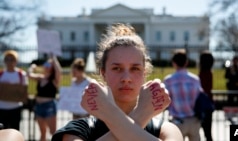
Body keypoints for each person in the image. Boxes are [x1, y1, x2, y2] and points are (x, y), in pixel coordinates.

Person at [52, 23, 183, 141]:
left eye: (135, 68)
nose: (126, 78)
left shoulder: (166, 130)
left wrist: (109, 112)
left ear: (145, 74)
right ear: (103, 73)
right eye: (117, 68)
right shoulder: (78, 130)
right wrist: (141, 114)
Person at [163, 49, 202, 141]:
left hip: (177, 120)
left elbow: (165, 100)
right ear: (186, 62)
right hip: (194, 119)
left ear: (174, 63)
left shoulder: (168, 80)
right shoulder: (195, 79)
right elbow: (199, 97)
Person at [27, 54, 61, 141]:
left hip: (49, 106)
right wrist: (32, 67)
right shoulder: (41, 77)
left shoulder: (54, 80)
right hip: (38, 106)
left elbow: (59, 72)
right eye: (46, 64)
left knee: (53, 132)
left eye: (49, 65)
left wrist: (54, 58)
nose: (46, 66)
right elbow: (29, 75)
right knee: (42, 132)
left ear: (53, 67)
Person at [0, 50, 28, 130]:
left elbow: (24, 90)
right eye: (7, 59)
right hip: (2, 108)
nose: (9, 62)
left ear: (16, 61)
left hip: (15, 108)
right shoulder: (1, 74)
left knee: (14, 131)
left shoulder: (21, 74)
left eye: (12, 59)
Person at [199, 50, 214, 141]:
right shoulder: (210, 73)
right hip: (208, 104)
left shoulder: (202, 74)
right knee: (208, 132)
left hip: (202, 104)